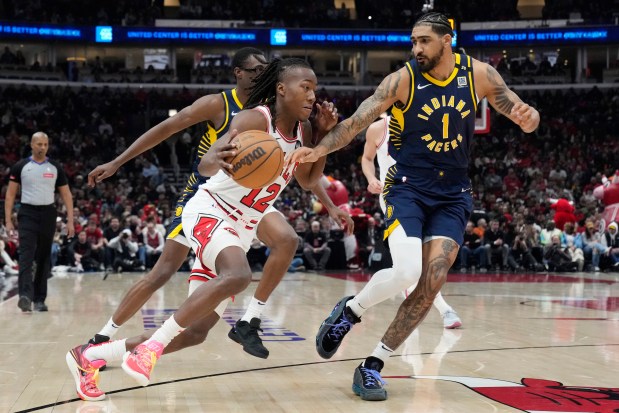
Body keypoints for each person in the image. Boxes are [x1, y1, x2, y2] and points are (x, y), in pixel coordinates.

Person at [287, 12, 540, 401]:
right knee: (407, 269)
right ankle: (350, 311)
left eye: (424, 41)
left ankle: (371, 366)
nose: (416, 48)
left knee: (430, 284)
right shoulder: (403, 79)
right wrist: (320, 148)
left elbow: (520, 111)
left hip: (453, 195)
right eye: (413, 41)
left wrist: (530, 118)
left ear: (447, 39)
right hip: (407, 188)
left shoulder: (481, 75)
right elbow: (355, 122)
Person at [65, 56, 347, 401]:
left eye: (315, 89)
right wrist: (220, 157)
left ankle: (89, 356)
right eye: (306, 87)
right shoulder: (254, 119)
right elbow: (205, 163)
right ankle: (150, 348)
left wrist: (323, 137)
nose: (313, 96)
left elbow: (306, 180)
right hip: (211, 210)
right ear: (281, 89)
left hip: (243, 224)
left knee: (196, 332)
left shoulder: (304, 130)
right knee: (238, 274)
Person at [361, 115, 462, 328]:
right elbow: (367, 158)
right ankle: (445, 310)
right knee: (420, 262)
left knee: (422, 261)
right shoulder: (379, 128)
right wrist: (371, 179)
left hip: (428, 194)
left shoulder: (430, 123)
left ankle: (409, 288)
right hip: (396, 195)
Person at [4, 131, 75, 312]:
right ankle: (25, 296)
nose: (42, 147)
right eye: (39, 144)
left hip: (48, 214)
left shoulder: (55, 167)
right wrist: (8, 220)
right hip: (27, 213)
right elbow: (10, 195)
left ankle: (40, 299)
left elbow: (66, 195)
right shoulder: (20, 166)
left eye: (45, 144)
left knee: (43, 257)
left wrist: (70, 222)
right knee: (26, 255)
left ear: (48, 146)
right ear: (32, 145)